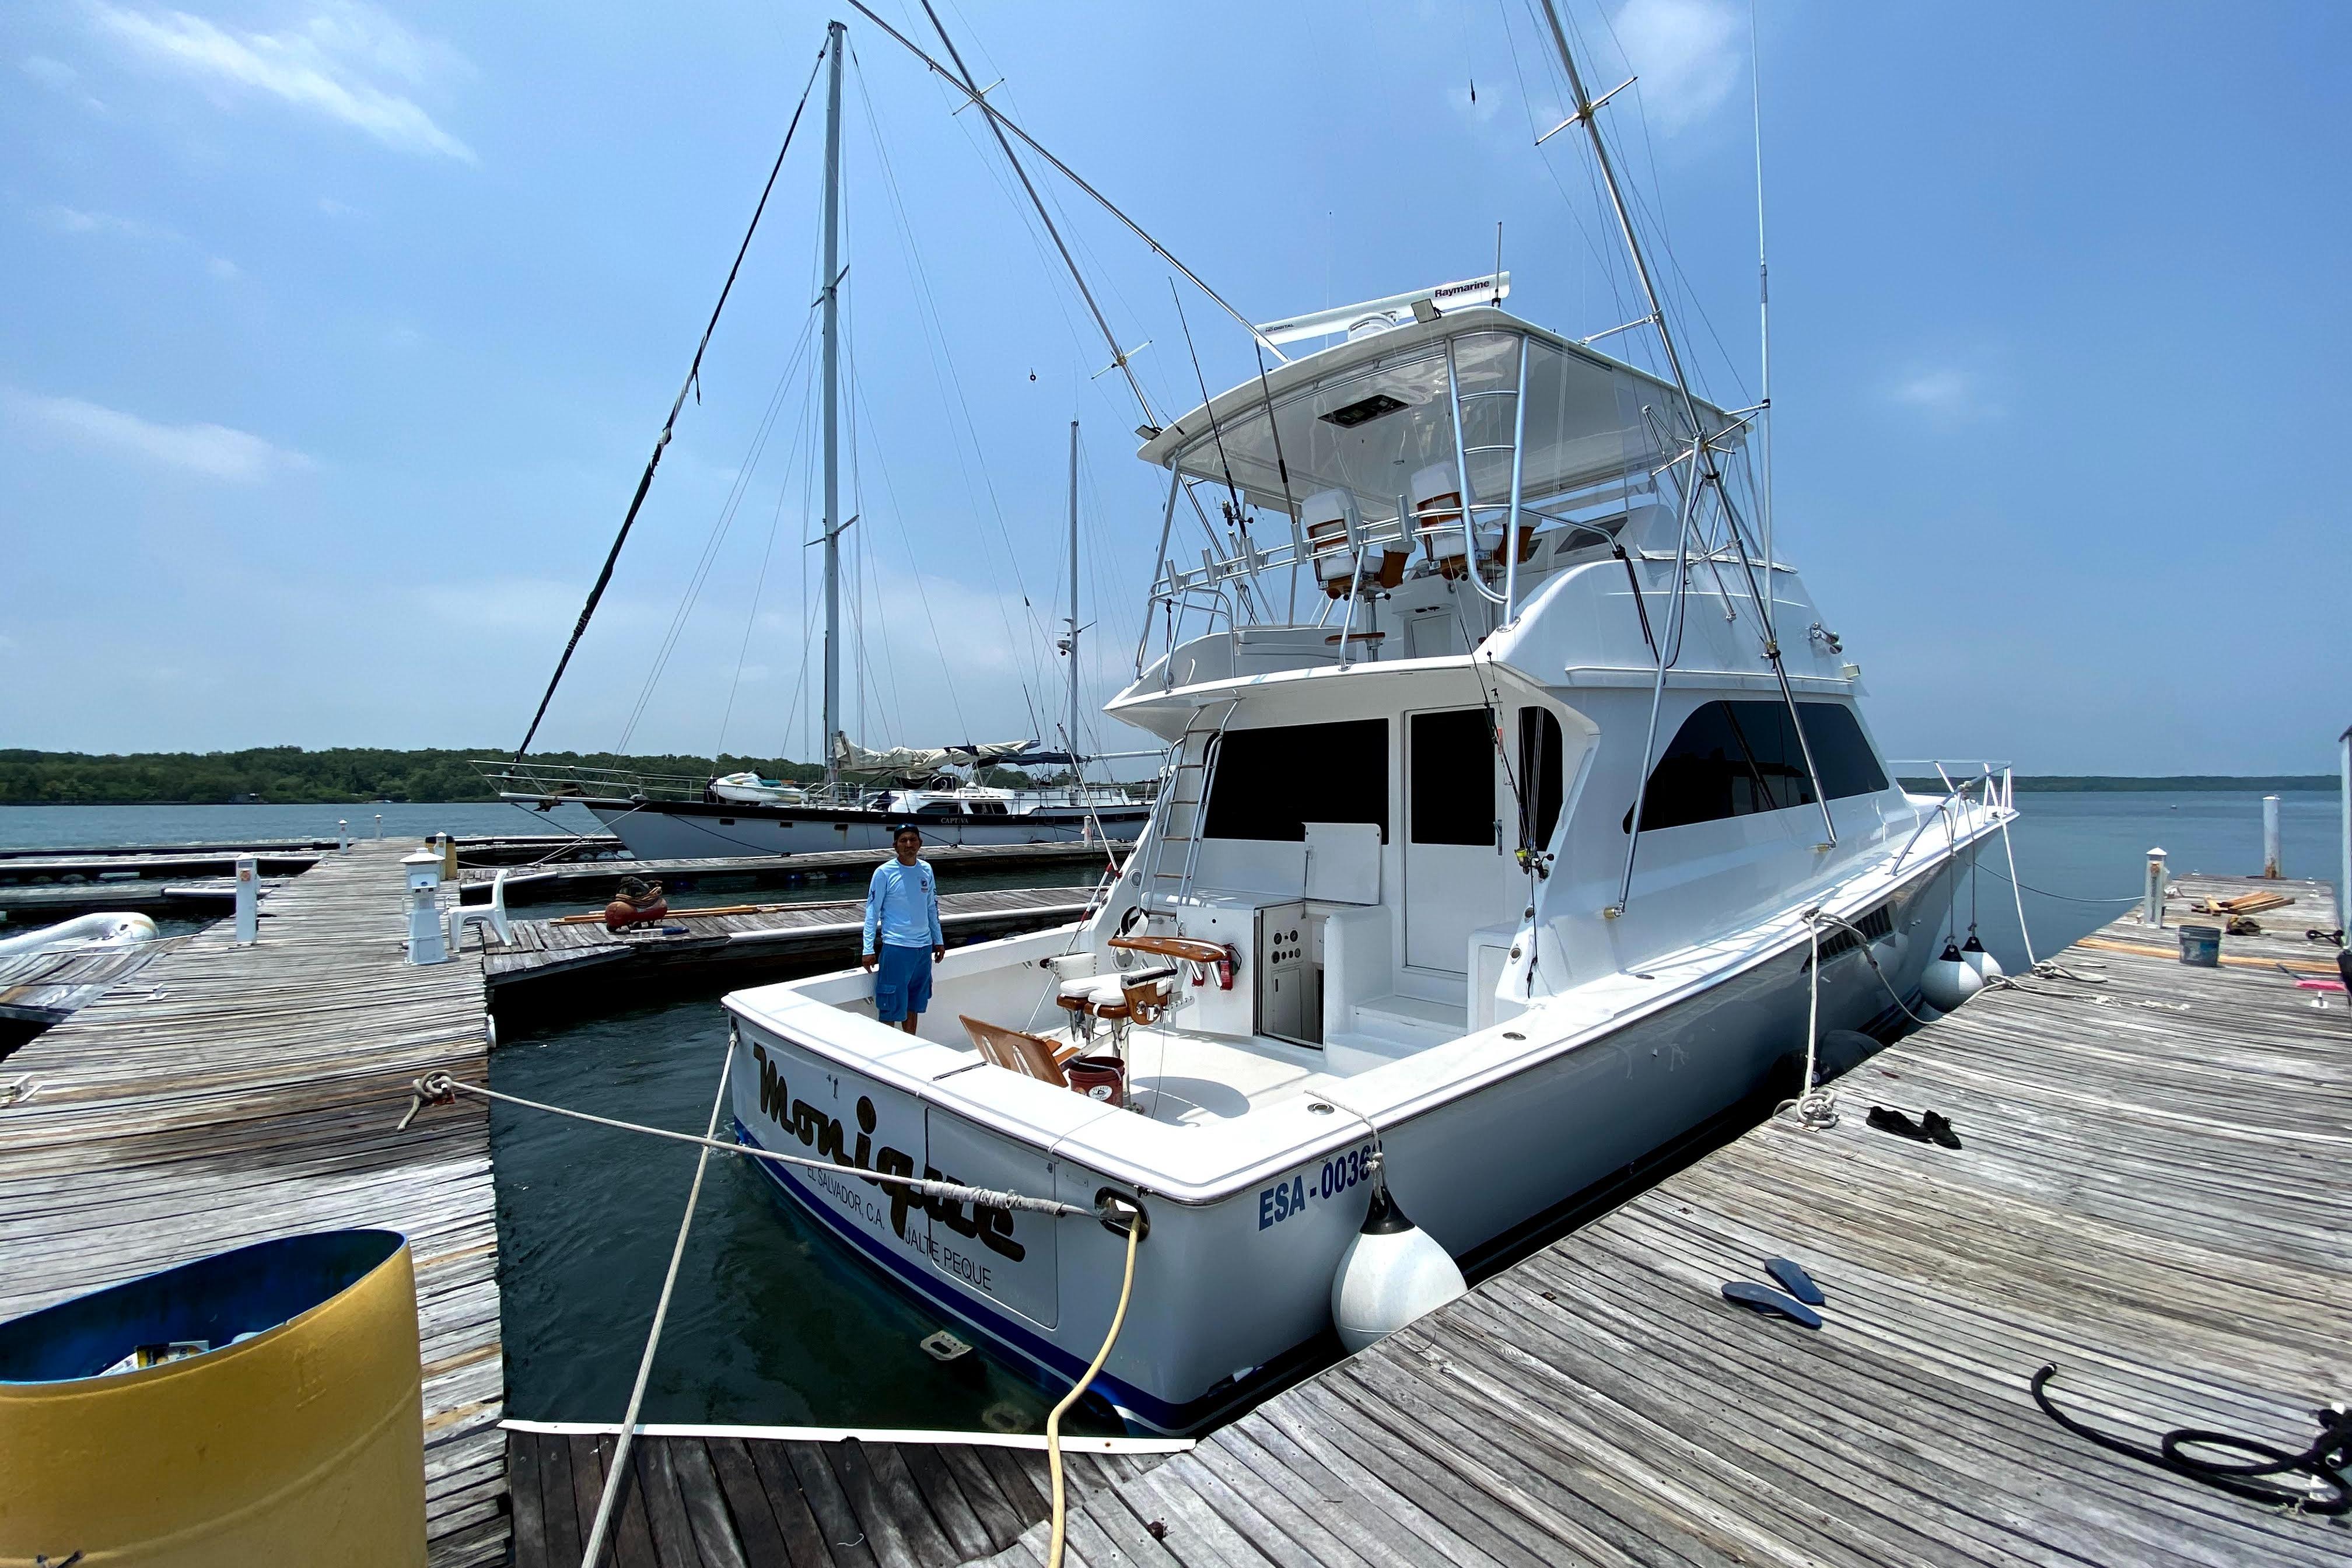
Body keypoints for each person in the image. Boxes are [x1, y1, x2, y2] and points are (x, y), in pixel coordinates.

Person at [861, 824, 946, 1034]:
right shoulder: (883, 873)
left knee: (915, 1004)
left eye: (913, 840)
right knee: (891, 1007)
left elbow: (931, 907)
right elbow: (872, 912)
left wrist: (939, 940)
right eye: (903, 841)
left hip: (924, 950)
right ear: (895, 846)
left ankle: (911, 1045)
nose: (909, 844)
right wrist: (867, 949)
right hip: (897, 947)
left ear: (920, 843)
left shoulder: (926, 869)